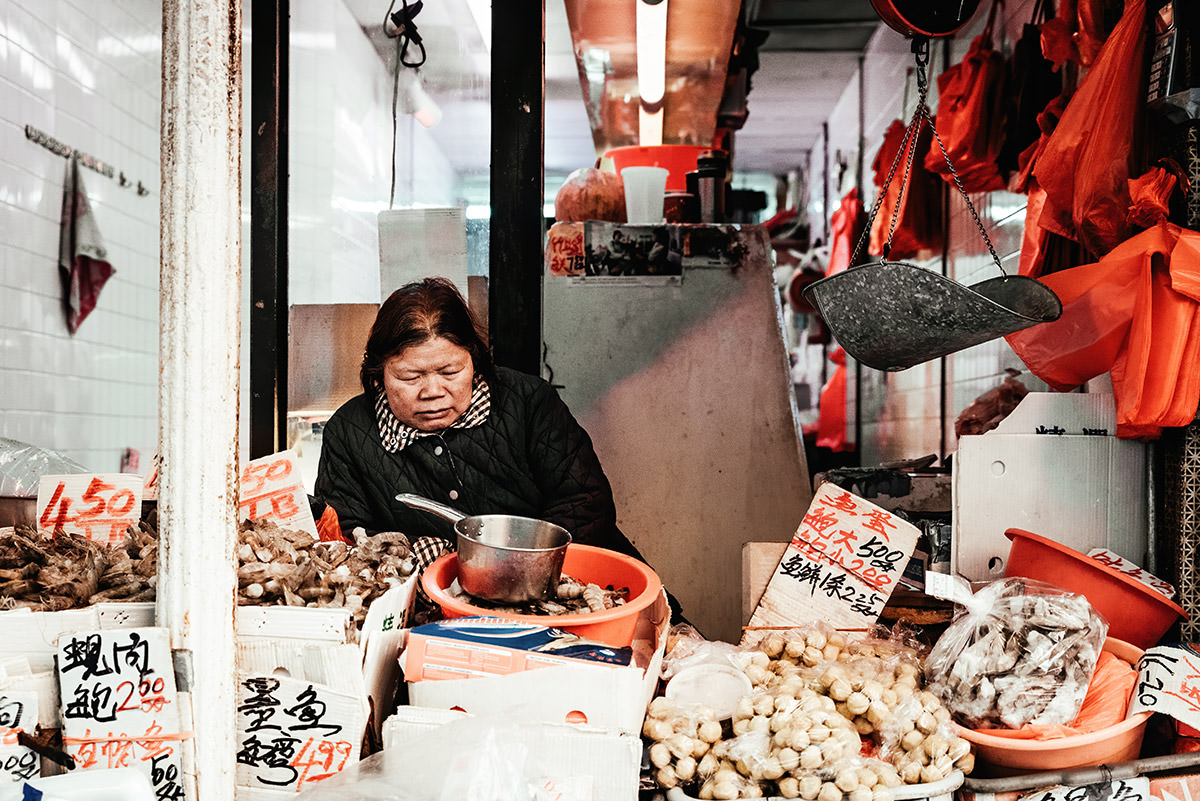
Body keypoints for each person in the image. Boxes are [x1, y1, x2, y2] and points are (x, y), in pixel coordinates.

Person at [314, 277, 667, 603]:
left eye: (450, 372)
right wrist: (432, 560)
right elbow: (346, 541)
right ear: (378, 374)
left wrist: (510, 567)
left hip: (573, 592)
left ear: (475, 362)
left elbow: (585, 503)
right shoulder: (349, 432)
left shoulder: (528, 402)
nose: (433, 391)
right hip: (430, 607)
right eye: (410, 377)